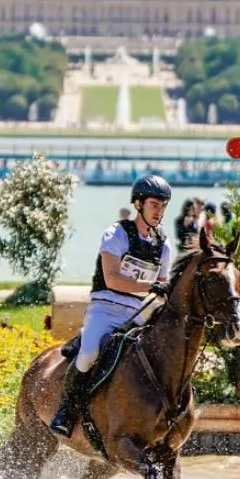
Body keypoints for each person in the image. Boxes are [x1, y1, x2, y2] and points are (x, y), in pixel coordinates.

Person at [48, 174, 173, 438]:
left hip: (139, 314)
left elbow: (163, 285)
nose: (159, 212)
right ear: (138, 204)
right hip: (105, 309)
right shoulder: (117, 233)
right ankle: (66, 410)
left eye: (163, 206)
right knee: (90, 352)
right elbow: (113, 278)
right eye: (154, 205)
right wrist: (151, 287)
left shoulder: (163, 245)